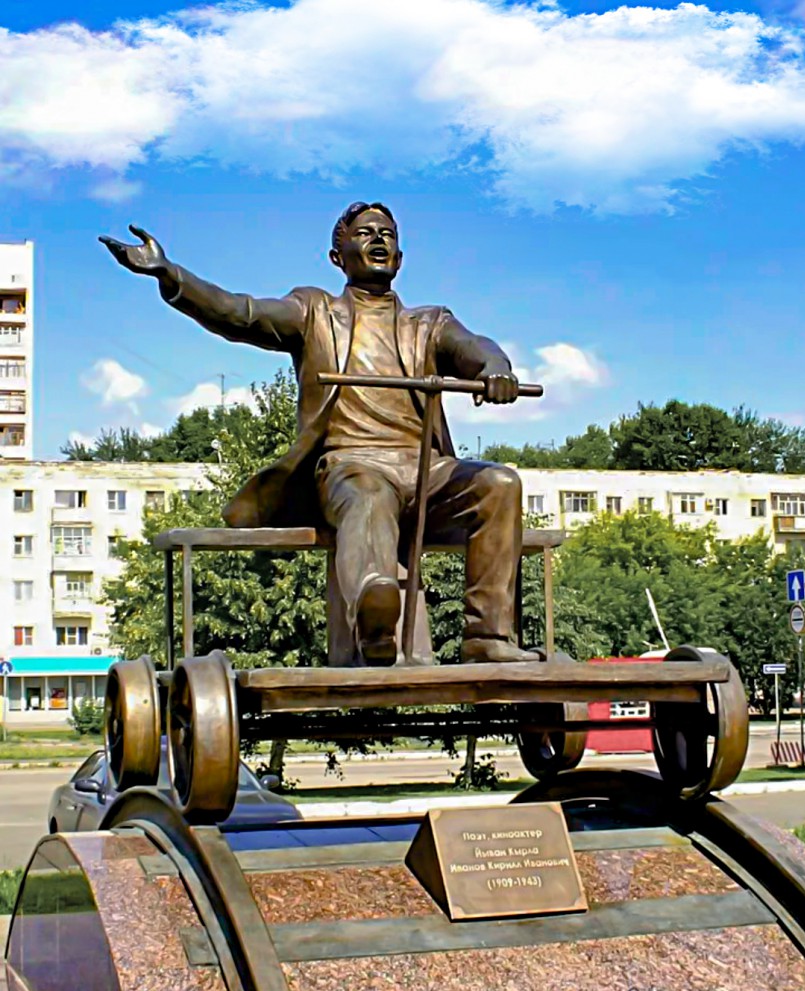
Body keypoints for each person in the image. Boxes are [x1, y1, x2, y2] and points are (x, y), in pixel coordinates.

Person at [100, 203, 538, 666]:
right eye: (365, 233)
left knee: (499, 483)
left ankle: (487, 635)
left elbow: (475, 347)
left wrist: (496, 368)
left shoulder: (430, 324)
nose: (378, 239)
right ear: (336, 257)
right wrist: (170, 275)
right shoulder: (314, 311)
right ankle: (373, 614)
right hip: (352, 467)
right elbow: (239, 313)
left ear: (400, 257)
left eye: (387, 234)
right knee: (369, 492)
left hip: (427, 472)